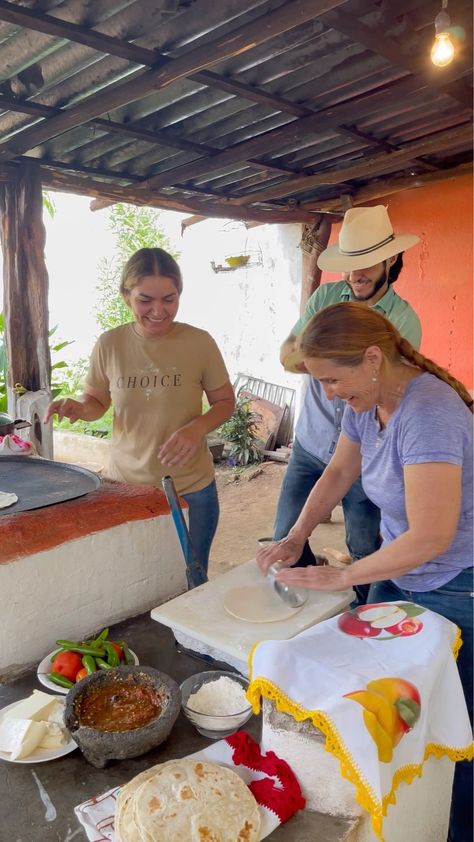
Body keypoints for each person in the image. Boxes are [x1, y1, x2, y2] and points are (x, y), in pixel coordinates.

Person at [258, 302, 473, 842]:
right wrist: (296, 535)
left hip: (458, 581)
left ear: (373, 358)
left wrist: (343, 576)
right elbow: (337, 471)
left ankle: (455, 825)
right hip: (400, 567)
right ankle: (400, 813)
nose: (328, 393)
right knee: (390, 699)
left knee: (452, 717)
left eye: (332, 379)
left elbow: (433, 535)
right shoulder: (366, 399)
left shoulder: (429, 414)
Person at [44, 247, 235, 586]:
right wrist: (79, 407)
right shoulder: (110, 344)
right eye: (145, 299)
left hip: (191, 487)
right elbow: (96, 402)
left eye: (170, 299)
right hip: (126, 487)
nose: (159, 311)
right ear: (125, 295)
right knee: (136, 582)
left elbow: (223, 402)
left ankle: (188, 642)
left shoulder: (199, 342)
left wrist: (196, 430)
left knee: (193, 578)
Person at [276, 205, 422, 604]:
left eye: (368, 262)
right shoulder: (326, 295)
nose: (356, 274)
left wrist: (320, 356)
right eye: (351, 263)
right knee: (285, 535)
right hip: (312, 440)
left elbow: (388, 392)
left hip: (364, 455)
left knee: (363, 545)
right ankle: (300, 607)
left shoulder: (403, 321)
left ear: (391, 259)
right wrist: (338, 366)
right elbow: (287, 355)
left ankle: (363, 610)